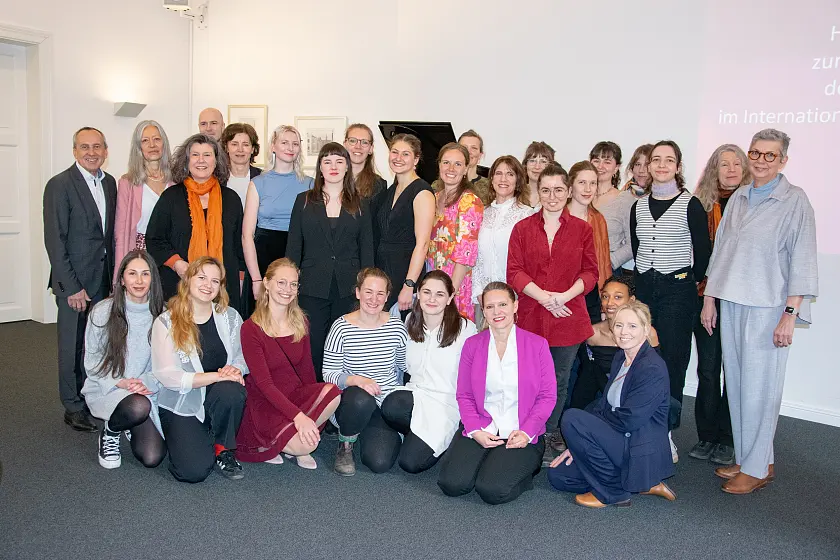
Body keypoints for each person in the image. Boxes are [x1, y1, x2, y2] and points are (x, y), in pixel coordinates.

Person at [702, 129, 818, 495]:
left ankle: (758, 468)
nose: (761, 160)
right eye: (756, 153)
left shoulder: (795, 200)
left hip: (768, 306)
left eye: (770, 155)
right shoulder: (739, 197)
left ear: (783, 160)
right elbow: (721, 250)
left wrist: (790, 314)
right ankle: (750, 458)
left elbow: (803, 259)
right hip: (732, 300)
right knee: (738, 385)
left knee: (760, 390)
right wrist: (709, 298)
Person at [507, 162, 598, 465]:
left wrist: (563, 297)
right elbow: (514, 272)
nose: (552, 196)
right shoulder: (522, 228)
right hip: (531, 314)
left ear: (569, 191)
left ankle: (548, 433)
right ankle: (527, 431)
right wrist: (545, 298)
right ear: (538, 192)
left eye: (559, 190)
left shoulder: (583, 230)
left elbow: (591, 273)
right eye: (545, 190)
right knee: (529, 378)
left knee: (558, 380)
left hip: (568, 316)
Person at [547, 301, 676, 508]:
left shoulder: (651, 367)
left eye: (632, 326)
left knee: (572, 418)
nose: (624, 332)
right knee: (559, 476)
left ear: (646, 329)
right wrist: (578, 443)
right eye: (618, 325)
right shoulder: (620, 358)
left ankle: (614, 492)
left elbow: (630, 420)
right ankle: (640, 483)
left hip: (637, 443)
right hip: (621, 439)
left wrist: (585, 434)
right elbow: (605, 404)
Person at [437, 282, 555, 505]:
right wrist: (474, 429)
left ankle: (525, 472)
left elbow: (547, 396)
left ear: (515, 306)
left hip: (520, 431)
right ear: (483, 310)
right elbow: (464, 394)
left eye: (503, 304)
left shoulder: (537, 345)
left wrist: (527, 431)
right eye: (490, 307)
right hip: (482, 425)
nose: (496, 311)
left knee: (492, 491)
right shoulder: (473, 345)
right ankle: (490, 460)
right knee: (452, 485)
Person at [630, 140, 711, 441]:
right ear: (649, 166)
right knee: (642, 357)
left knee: (673, 362)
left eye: (669, 160)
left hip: (677, 292)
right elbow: (637, 248)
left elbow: (703, 253)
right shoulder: (638, 206)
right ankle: (641, 423)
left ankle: (665, 433)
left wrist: (687, 280)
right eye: (656, 159)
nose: (661, 165)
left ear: (678, 167)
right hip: (645, 290)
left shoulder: (690, 204)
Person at [43, 126, 117, 432]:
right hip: (75, 284)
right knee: (72, 347)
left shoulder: (110, 183)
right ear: (75, 151)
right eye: (84, 147)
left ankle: (91, 396)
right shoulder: (59, 184)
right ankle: (72, 406)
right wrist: (70, 287)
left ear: (105, 151)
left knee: (96, 344)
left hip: (103, 279)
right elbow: (55, 240)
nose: (91, 152)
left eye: (97, 146)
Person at [236, 258, 341, 469]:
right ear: (267, 283)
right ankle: (281, 440)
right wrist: (300, 417)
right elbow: (265, 385)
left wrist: (311, 407)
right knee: (306, 445)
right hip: (266, 401)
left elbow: (307, 371)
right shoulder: (250, 328)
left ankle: (290, 437)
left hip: (294, 395)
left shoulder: (301, 322)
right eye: (281, 282)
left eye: (293, 284)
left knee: (333, 393)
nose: (288, 289)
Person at [151, 257, 248, 483]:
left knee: (233, 391)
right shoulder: (166, 321)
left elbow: (243, 356)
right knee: (192, 472)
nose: (208, 285)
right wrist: (217, 376)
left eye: (215, 281)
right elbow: (168, 376)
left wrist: (235, 369)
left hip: (218, 395)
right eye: (202, 277)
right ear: (188, 280)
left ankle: (222, 447)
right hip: (181, 399)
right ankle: (193, 435)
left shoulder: (230, 317)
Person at [286, 142, 374, 377]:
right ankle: (315, 393)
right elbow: (293, 247)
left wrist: (367, 287)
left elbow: (367, 249)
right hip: (312, 285)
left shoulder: (362, 203)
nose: (333, 167)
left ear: (347, 167)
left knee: (344, 344)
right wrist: (290, 284)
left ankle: (341, 391)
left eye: (339, 161)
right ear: (320, 168)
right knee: (312, 345)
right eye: (327, 161)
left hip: (349, 287)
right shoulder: (303, 201)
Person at [688, 144, 751, 465]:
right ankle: (707, 435)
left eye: (737, 163)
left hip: (741, 299)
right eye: (724, 164)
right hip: (706, 298)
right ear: (714, 169)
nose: (731, 169)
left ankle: (728, 438)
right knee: (709, 369)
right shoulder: (699, 206)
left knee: (735, 371)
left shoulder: (754, 205)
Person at [379, 271, 477, 473]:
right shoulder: (409, 322)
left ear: (450, 298)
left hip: (446, 405)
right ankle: (415, 434)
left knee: (410, 464)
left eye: (440, 294)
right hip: (416, 396)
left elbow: (475, 378)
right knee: (391, 405)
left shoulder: (466, 329)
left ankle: (447, 437)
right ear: (418, 293)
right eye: (427, 292)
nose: (432, 299)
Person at [82, 250, 167, 469]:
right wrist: (121, 382)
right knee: (137, 406)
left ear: (153, 279)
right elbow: (92, 361)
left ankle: (126, 419)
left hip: (144, 389)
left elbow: (166, 363)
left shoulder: (164, 314)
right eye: (132, 274)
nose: (139, 281)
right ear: (122, 279)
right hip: (108, 387)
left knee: (153, 457)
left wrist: (144, 382)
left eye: (145, 274)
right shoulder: (102, 311)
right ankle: (111, 431)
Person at [323, 268, 408, 476]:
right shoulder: (341, 327)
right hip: (354, 401)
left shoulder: (396, 326)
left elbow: (404, 365)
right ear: (358, 292)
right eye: (368, 292)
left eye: (380, 293)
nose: (373, 299)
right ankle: (345, 444)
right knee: (361, 399)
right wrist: (356, 380)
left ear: (387, 297)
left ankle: (367, 430)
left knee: (379, 463)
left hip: (384, 400)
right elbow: (329, 373)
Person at [145, 134, 244, 311]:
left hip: (223, 289)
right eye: (195, 155)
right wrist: (177, 264)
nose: (201, 160)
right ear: (187, 161)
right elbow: (155, 239)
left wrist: (242, 280)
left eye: (207, 155)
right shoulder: (171, 197)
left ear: (216, 161)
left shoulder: (231, 199)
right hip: (179, 285)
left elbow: (239, 246)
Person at [242, 125, 313, 316]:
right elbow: (247, 236)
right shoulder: (258, 183)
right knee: (262, 320)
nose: (290, 148)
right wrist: (256, 279)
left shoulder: (310, 184)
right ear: (273, 146)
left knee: (293, 318)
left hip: (297, 256)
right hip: (263, 257)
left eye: (295, 144)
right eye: (284, 142)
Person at [569, 276, 660, 410]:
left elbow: (655, 373)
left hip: (635, 393)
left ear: (631, 300)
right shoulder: (592, 334)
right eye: (605, 297)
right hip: (601, 391)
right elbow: (588, 376)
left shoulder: (647, 333)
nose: (610, 303)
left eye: (618, 297)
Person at [372, 133, 435, 312]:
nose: (398, 158)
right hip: (383, 271)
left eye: (405, 154)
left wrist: (409, 285)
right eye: (395, 152)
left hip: (405, 273)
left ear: (416, 160)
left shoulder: (422, 192)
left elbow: (422, 244)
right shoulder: (389, 191)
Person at [471, 156, 536, 326]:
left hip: (515, 298)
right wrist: (479, 291)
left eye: (510, 174)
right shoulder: (482, 213)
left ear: (518, 180)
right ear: (491, 179)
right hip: (485, 298)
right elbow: (477, 257)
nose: (503, 179)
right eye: (498, 173)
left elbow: (530, 262)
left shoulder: (527, 215)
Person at [426, 143, 485, 320]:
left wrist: (449, 292)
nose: (451, 169)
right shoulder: (433, 198)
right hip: (431, 282)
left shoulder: (470, 201)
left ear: (466, 169)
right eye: (446, 162)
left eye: (458, 164)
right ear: (439, 165)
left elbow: (466, 253)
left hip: (455, 285)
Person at [113, 120, 174, 282]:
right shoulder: (127, 183)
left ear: (164, 143)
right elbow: (121, 233)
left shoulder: (177, 181)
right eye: (145, 140)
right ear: (138, 147)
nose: (152, 145)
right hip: (139, 255)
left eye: (157, 139)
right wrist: (120, 274)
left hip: (170, 256)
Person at [566, 161, 613, 323]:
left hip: (591, 296)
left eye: (593, 183)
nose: (588, 189)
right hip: (563, 296)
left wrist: (605, 302)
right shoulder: (555, 217)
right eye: (582, 182)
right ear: (570, 186)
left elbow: (604, 263)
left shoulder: (598, 219)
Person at [591, 141, 635, 274]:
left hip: (607, 271)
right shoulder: (579, 196)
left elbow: (633, 243)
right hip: (576, 269)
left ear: (616, 168)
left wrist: (609, 262)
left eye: (607, 162)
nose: (600, 166)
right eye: (596, 160)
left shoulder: (625, 200)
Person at [432, 130, 492, 205]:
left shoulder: (490, 186)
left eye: (474, 148)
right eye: (464, 147)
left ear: (480, 155)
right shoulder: (436, 185)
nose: (468, 152)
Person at [221, 122, 262, 208]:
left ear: (252, 149)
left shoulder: (263, 178)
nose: (240, 149)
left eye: (245, 145)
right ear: (226, 147)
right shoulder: (217, 179)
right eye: (234, 144)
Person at [344, 123, 387, 200]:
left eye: (364, 142)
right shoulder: (331, 179)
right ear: (345, 145)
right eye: (353, 141)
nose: (358, 146)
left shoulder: (379, 185)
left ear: (371, 149)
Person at [522, 141, 555, 207]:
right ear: (525, 165)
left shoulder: (556, 196)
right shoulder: (516, 193)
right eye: (532, 161)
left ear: (550, 166)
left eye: (543, 161)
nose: (537, 166)